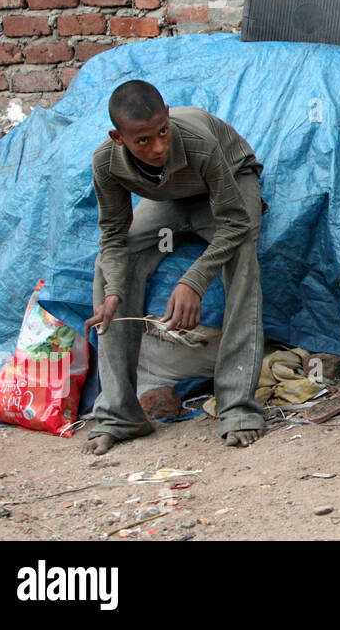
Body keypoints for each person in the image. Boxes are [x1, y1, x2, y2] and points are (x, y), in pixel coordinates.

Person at [83, 80, 266, 454]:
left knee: (242, 255)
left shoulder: (199, 143)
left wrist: (194, 281)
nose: (159, 146)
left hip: (230, 183)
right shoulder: (106, 162)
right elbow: (114, 235)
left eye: (163, 132)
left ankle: (237, 409)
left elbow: (235, 223)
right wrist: (116, 290)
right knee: (110, 267)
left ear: (168, 117)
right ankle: (120, 414)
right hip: (171, 197)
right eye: (143, 141)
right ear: (118, 138)